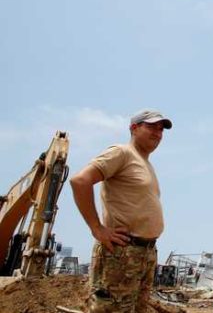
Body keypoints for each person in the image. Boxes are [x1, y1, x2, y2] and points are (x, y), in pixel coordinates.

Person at [70, 109, 172, 312]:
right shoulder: (122, 153)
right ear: (134, 128)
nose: (158, 133)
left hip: (144, 253)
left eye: (161, 129)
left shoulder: (145, 163)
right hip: (123, 252)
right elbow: (80, 181)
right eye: (151, 127)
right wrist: (97, 228)